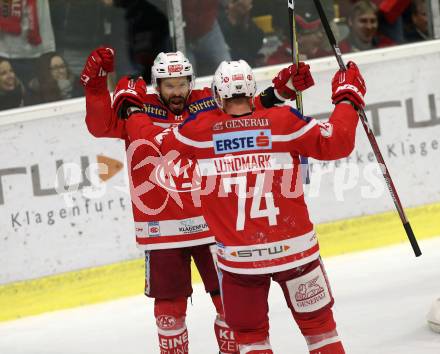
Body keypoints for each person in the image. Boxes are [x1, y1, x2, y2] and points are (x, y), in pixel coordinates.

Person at [80, 47, 314, 353]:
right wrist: (95, 86)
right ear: (156, 84)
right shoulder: (137, 104)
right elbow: (99, 126)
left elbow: (247, 107)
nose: (177, 91)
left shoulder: (207, 101)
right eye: (169, 85)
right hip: (162, 229)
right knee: (169, 312)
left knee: (227, 304)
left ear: (192, 81)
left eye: (182, 83)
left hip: (212, 225)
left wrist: (282, 90)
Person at [124, 59, 366, 353]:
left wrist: (133, 109)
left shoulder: (199, 132)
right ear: (252, 92)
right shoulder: (284, 122)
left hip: (241, 263)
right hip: (297, 252)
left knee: (252, 340)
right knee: (321, 332)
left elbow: (155, 142)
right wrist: (347, 97)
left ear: (216, 94)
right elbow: (337, 141)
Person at [218, 0, 264, 67]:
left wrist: (245, 22)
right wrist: (233, 18)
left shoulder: (250, 25)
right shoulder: (218, 22)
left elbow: (256, 46)